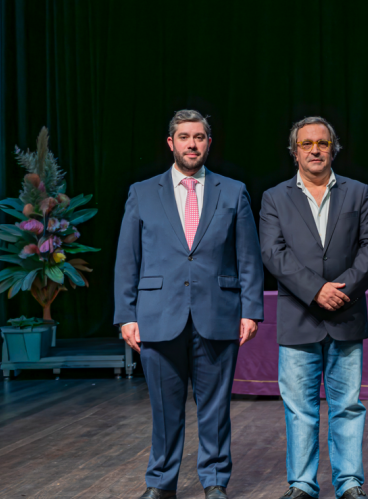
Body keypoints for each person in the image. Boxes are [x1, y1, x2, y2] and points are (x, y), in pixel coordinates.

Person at [114, 110, 264, 499]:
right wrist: (126, 315)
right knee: (164, 409)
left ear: (209, 143)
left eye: (199, 137)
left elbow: (248, 257)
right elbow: (128, 258)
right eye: (184, 137)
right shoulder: (142, 192)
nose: (192, 144)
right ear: (171, 143)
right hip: (158, 315)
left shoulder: (234, 191)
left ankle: (214, 481)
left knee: (215, 407)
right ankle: (161, 483)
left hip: (218, 313)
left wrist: (251, 310)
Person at [259, 116, 368, 499]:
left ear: (334, 149)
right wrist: (316, 291)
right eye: (307, 144)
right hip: (299, 316)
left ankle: (350, 483)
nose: (315, 150)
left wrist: (340, 291)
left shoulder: (358, 192)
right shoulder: (274, 197)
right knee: (300, 408)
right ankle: (302, 484)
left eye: (322, 143)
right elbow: (272, 253)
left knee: (347, 405)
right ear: (294, 152)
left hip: (346, 312)